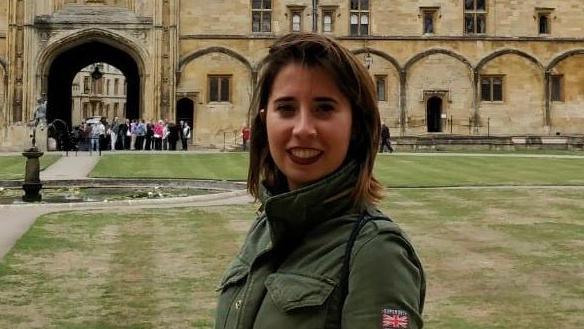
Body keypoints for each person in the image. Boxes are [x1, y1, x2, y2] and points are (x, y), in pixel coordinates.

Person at [215, 33, 425, 329]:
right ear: (265, 119)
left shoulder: (376, 252)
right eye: (286, 108)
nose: (302, 129)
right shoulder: (268, 226)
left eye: (324, 108)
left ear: (356, 124)